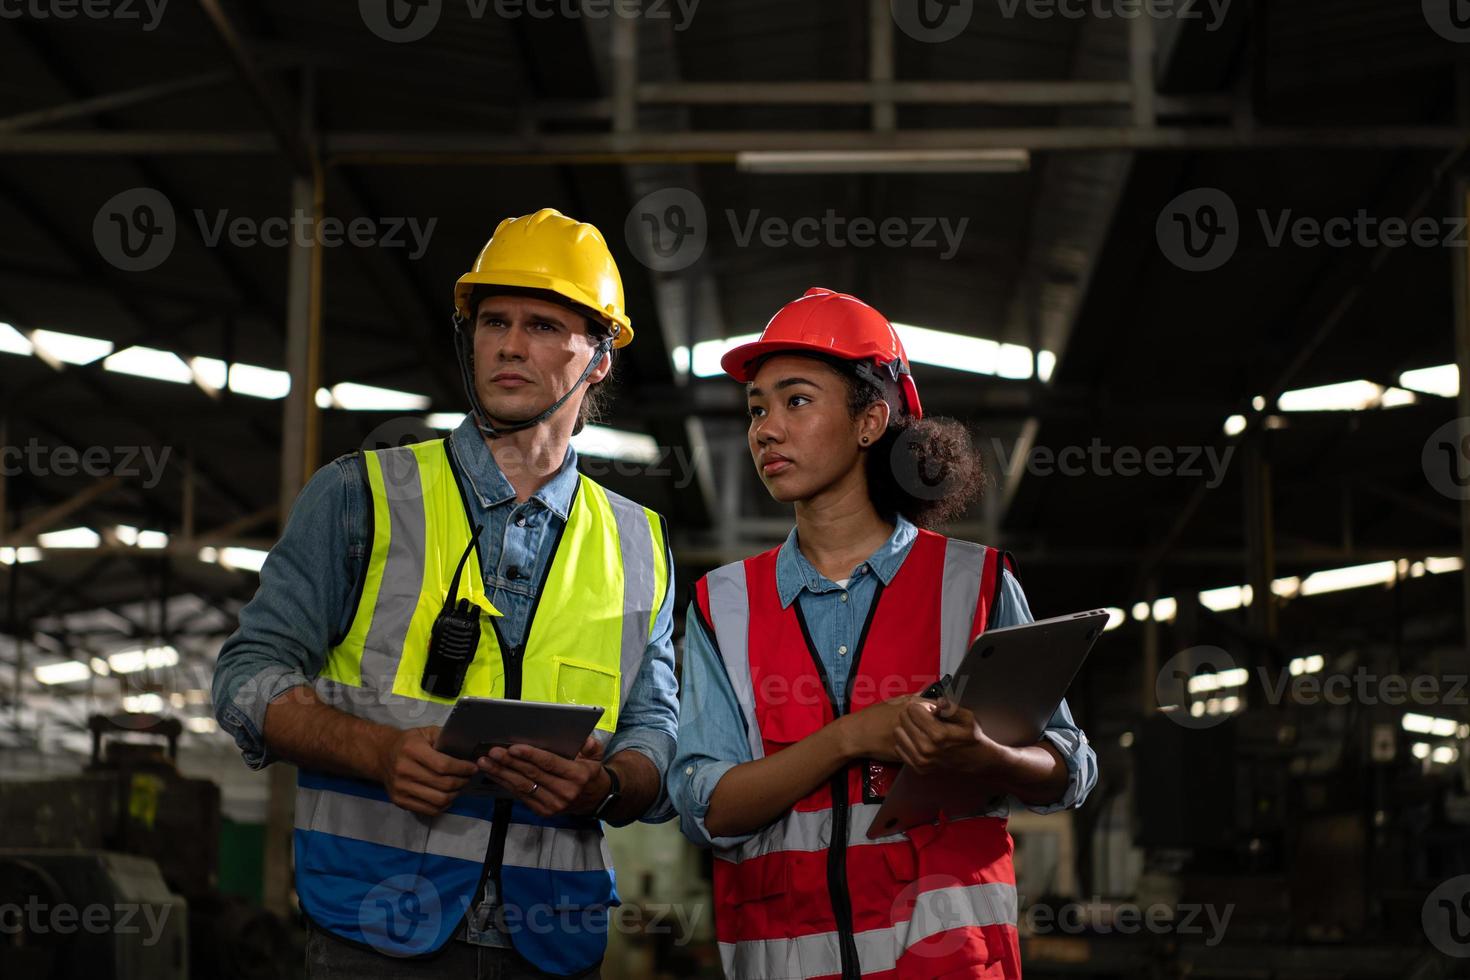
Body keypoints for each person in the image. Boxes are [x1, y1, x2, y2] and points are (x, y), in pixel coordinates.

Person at [212, 209, 678, 979]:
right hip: (374, 926)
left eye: (541, 324)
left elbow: (656, 724)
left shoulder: (639, 542)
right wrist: (380, 751)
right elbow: (246, 679)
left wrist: (608, 783)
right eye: (493, 320)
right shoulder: (359, 496)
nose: (509, 344)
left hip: (551, 939)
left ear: (598, 357)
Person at [669, 287, 1098, 979]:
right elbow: (704, 807)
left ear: (871, 421)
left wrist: (988, 755)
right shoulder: (723, 604)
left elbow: (1070, 767)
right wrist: (849, 738)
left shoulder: (974, 584)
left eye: (796, 401)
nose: (765, 429)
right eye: (756, 408)